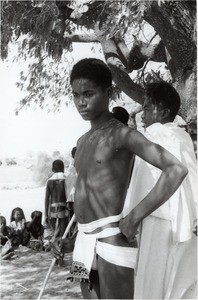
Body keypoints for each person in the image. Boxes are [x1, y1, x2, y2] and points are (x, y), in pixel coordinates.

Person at [52, 58, 187, 299]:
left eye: (88, 93)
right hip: (82, 243)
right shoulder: (82, 141)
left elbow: (175, 170)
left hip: (112, 242)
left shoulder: (123, 134)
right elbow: (87, 198)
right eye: (75, 95)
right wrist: (70, 240)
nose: (81, 102)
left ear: (109, 92)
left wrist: (134, 217)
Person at [120, 81, 197, 299]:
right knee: (175, 287)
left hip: (156, 218)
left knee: (150, 287)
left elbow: (151, 180)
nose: (142, 115)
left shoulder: (157, 133)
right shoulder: (181, 136)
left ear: (163, 111)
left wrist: (132, 216)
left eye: (146, 108)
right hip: (180, 222)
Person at [44, 159, 68, 240]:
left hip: (52, 210)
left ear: (52, 170)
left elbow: (46, 199)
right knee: (63, 231)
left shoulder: (49, 181)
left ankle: (55, 245)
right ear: (63, 168)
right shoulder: (66, 179)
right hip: (64, 209)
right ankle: (61, 246)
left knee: (55, 231)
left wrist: (46, 215)